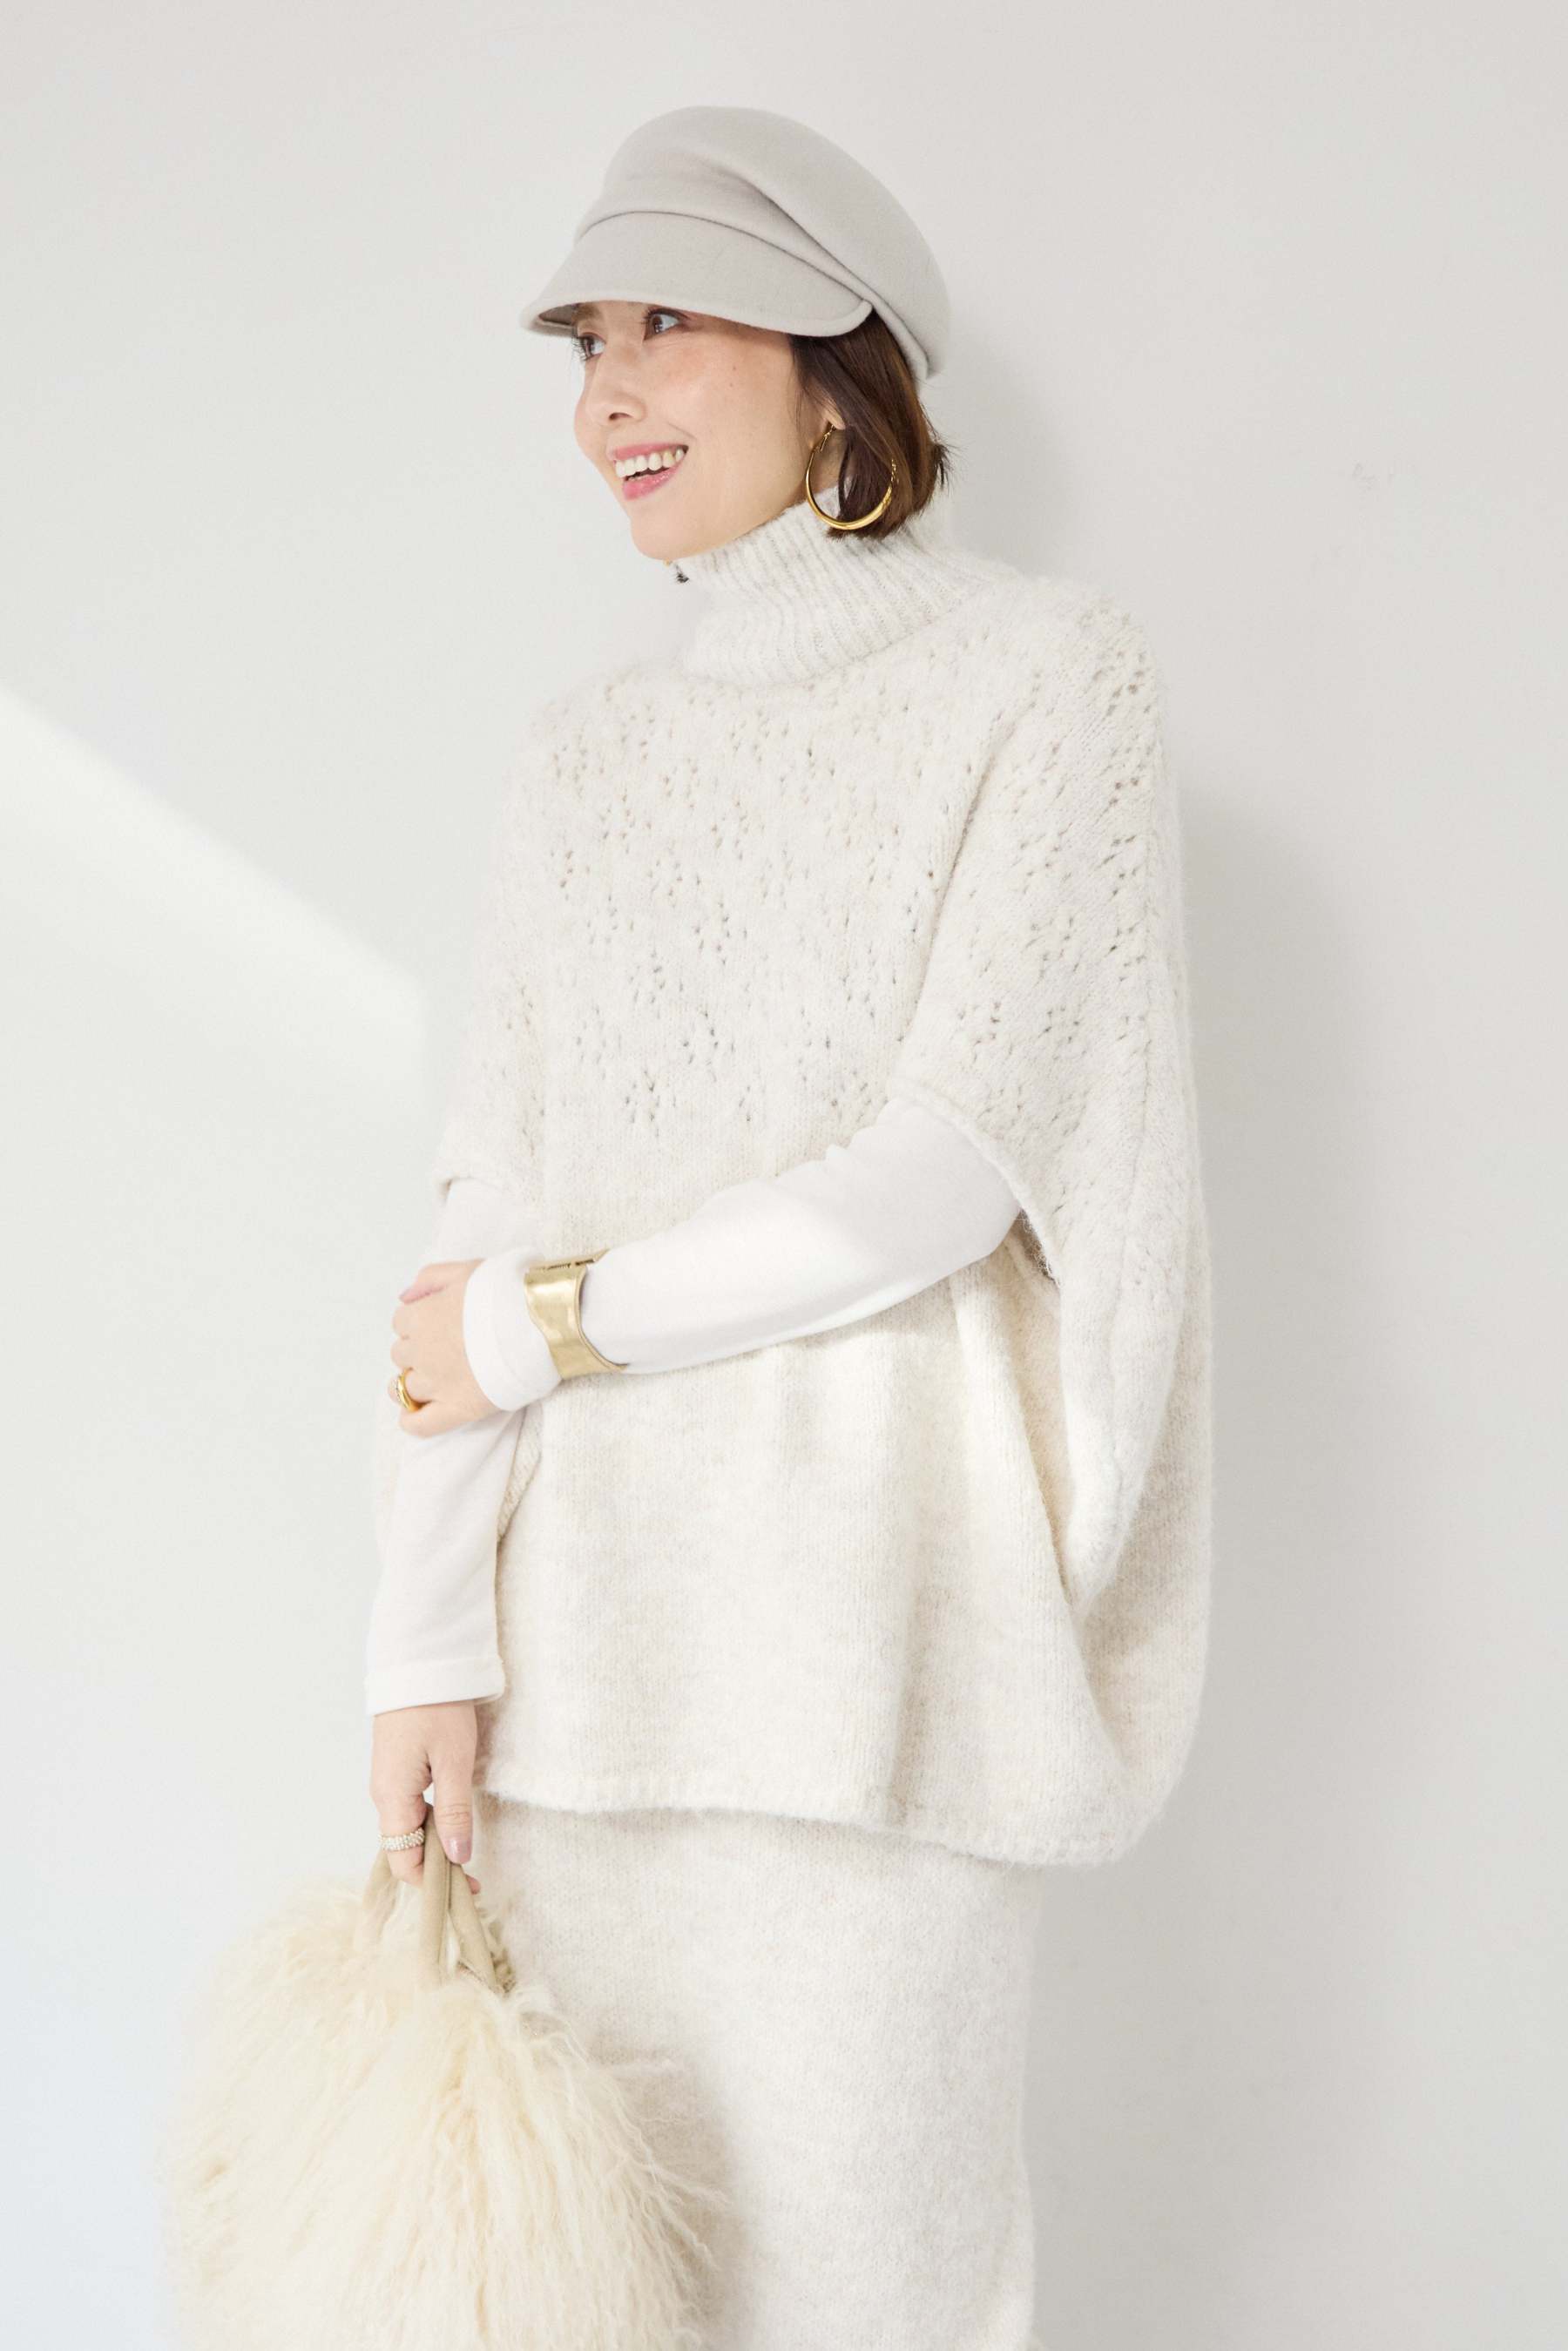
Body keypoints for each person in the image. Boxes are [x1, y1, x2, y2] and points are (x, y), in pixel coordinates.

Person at [362, 103, 1213, 2351]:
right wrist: (420, 1643)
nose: (608, 393)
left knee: (876, 2299)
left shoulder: (1050, 677)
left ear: (839, 367)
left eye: (668, 323)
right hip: (581, 1677)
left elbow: (945, 1171)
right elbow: (481, 1214)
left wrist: (544, 1328)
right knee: (569, 2298)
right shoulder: (578, 759)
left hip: (872, 1665)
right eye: (585, 342)